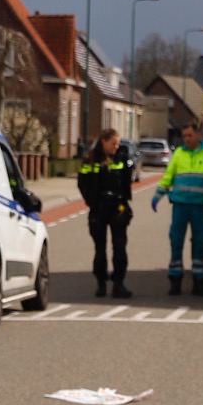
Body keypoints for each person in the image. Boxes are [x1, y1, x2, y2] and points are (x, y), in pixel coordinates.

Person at [152, 120, 203, 295]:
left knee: (200, 244)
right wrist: (158, 195)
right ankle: (175, 280)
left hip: (199, 206)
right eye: (184, 136)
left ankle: (199, 282)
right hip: (180, 204)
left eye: (189, 135)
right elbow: (169, 175)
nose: (186, 139)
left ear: (198, 135)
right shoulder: (179, 153)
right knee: (176, 241)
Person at [76, 126, 136, 298]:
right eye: (113, 144)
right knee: (100, 249)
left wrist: (124, 203)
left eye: (118, 144)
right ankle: (101, 284)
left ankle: (119, 284)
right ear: (104, 141)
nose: (116, 147)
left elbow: (126, 182)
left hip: (117, 208)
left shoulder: (121, 158)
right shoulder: (91, 159)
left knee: (119, 247)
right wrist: (91, 201)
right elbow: (82, 181)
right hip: (99, 209)